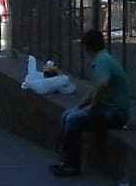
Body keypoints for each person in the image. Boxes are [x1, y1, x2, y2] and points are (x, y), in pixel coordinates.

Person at [52, 29, 130, 177]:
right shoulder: (103, 58)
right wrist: (79, 107)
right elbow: (94, 89)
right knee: (68, 115)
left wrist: (93, 107)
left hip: (115, 113)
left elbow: (102, 85)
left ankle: (72, 165)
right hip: (109, 110)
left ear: (87, 47)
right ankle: (65, 160)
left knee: (72, 120)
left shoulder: (102, 61)